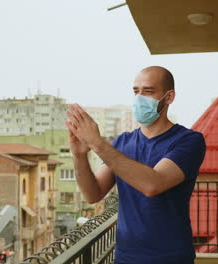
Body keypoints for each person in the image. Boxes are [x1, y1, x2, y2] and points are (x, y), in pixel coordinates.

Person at [65, 66, 206, 264]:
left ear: (169, 97)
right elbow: (93, 194)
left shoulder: (189, 141)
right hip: (125, 258)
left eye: (148, 91)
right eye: (136, 91)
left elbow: (153, 184)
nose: (140, 98)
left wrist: (98, 143)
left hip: (171, 257)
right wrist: (79, 156)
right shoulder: (122, 143)